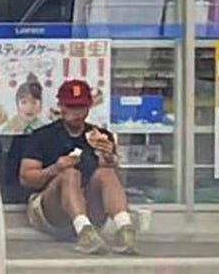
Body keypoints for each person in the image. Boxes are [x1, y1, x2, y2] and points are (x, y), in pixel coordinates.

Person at [9, 77, 139, 255]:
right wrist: (54, 169)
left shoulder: (100, 136)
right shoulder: (42, 136)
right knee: (70, 174)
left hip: (90, 205)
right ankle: (83, 231)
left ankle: (125, 228)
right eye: (71, 107)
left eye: (81, 107)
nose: (76, 113)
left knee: (106, 173)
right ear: (61, 107)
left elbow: (112, 181)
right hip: (50, 209)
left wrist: (110, 159)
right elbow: (26, 178)